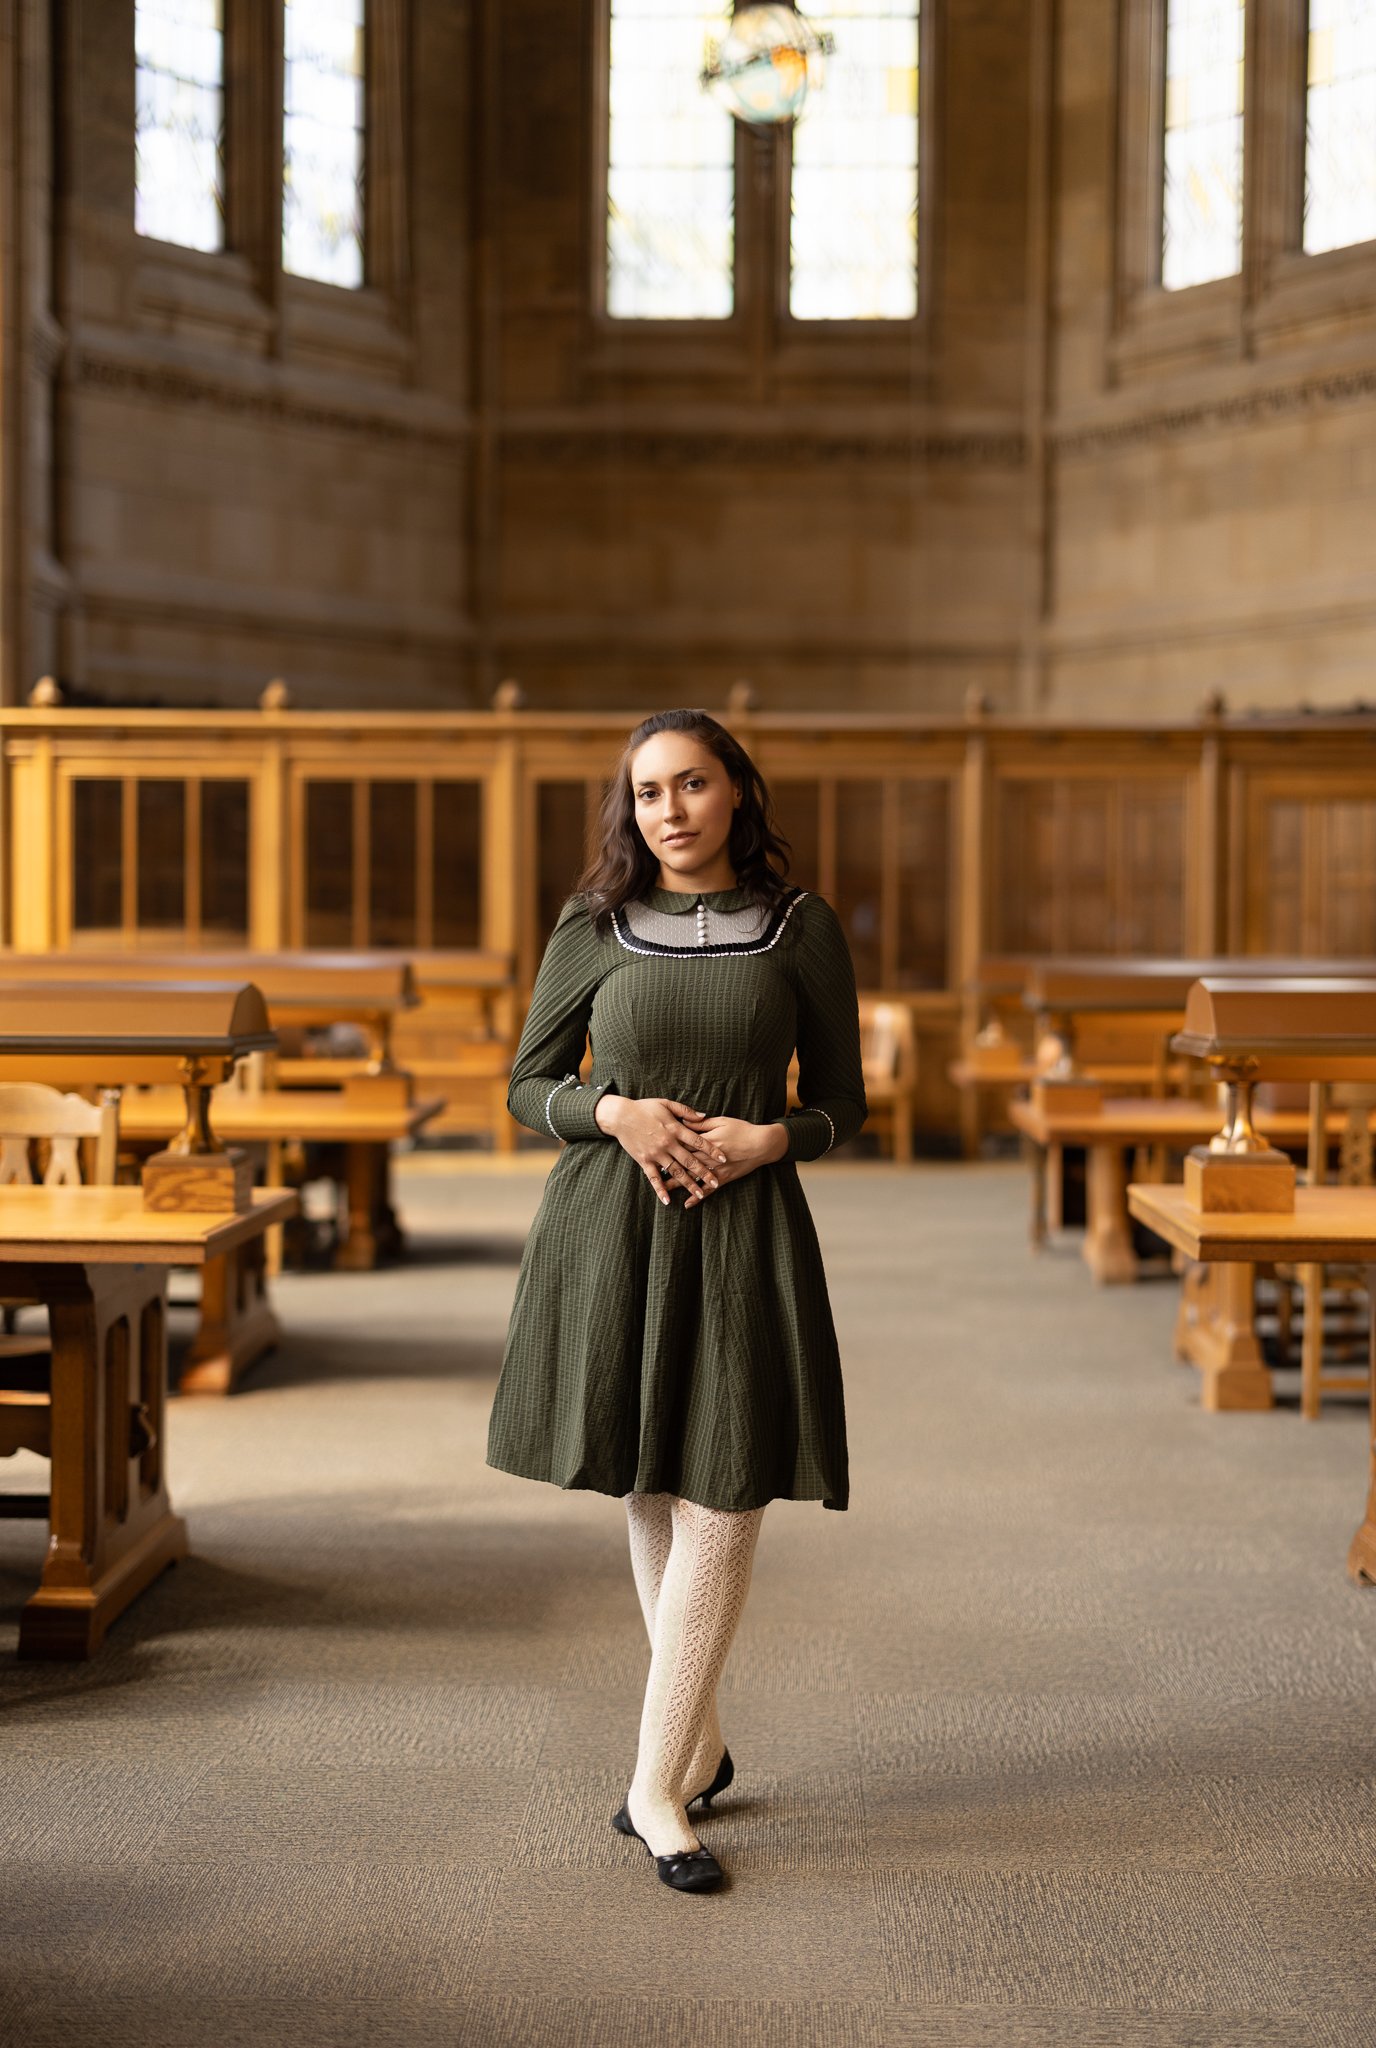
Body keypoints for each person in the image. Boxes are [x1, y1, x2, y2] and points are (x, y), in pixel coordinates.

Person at [486, 707, 867, 1893]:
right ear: (629, 810)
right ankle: (690, 1748)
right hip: (613, 1226)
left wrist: (770, 1138)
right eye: (647, 791)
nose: (669, 809)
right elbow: (524, 1084)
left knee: (726, 1487)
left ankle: (654, 1785)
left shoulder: (802, 929)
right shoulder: (590, 923)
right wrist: (615, 1110)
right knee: (654, 1474)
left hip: (745, 1229)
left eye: (691, 783)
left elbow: (842, 1103)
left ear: (735, 793)